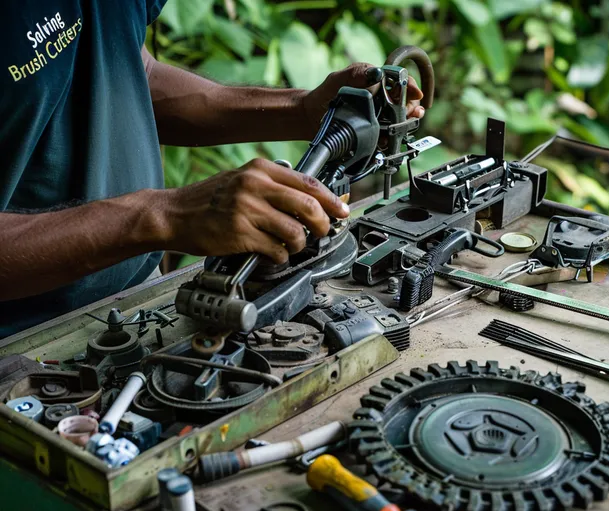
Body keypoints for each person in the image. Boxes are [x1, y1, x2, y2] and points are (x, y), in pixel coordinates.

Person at [0, 2, 424, 338]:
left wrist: (303, 109)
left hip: (139, 298)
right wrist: (162, 215)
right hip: (18, 342)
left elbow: (131, 67)